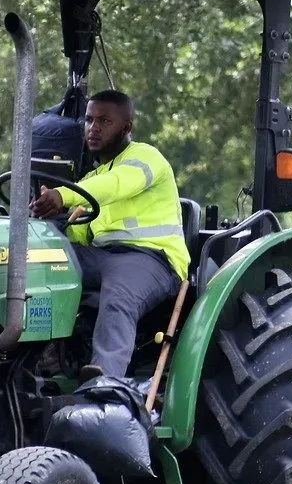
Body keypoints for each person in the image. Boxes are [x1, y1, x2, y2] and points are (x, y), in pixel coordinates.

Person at [32, 90, 188, 383]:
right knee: (42, 257)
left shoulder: (145, 158)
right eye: (89, 120)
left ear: (126, 127)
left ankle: (104, 378)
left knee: (119, 293)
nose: (94, 128)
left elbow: (116, 184)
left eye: (104, 121)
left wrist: (62, 195)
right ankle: (39, 355)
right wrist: (48, 220)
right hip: (102, 257)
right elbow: (78, 233)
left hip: (152, 259)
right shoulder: (89, 181)